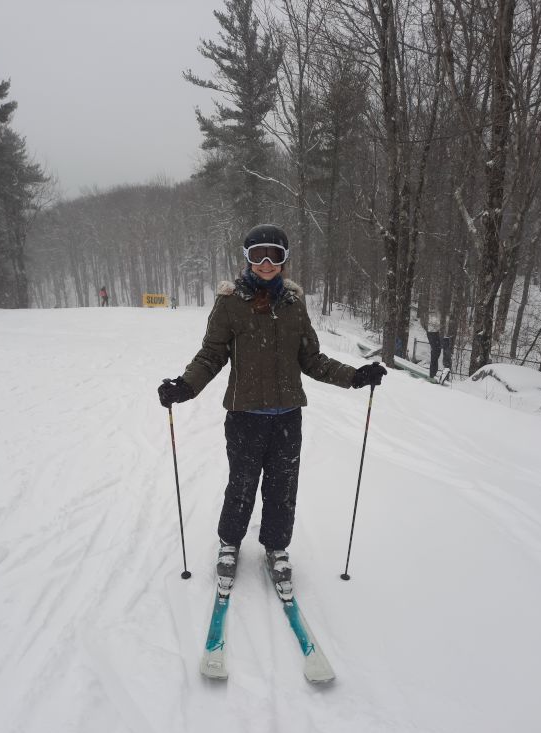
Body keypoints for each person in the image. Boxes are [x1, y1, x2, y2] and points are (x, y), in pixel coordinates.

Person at [157, 224, 386, 598]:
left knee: (283, 488)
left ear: (284, 259)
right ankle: (230, 542)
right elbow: (211, 355)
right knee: (242, 485)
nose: (266, 263)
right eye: (258, 255)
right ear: (247, 258)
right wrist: (185, 386)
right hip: (244, 417)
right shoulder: (230, 304)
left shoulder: (294, 304)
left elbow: (312, 359)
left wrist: (355, 376)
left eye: (274, 255)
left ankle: (276, 547)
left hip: (287, 417)